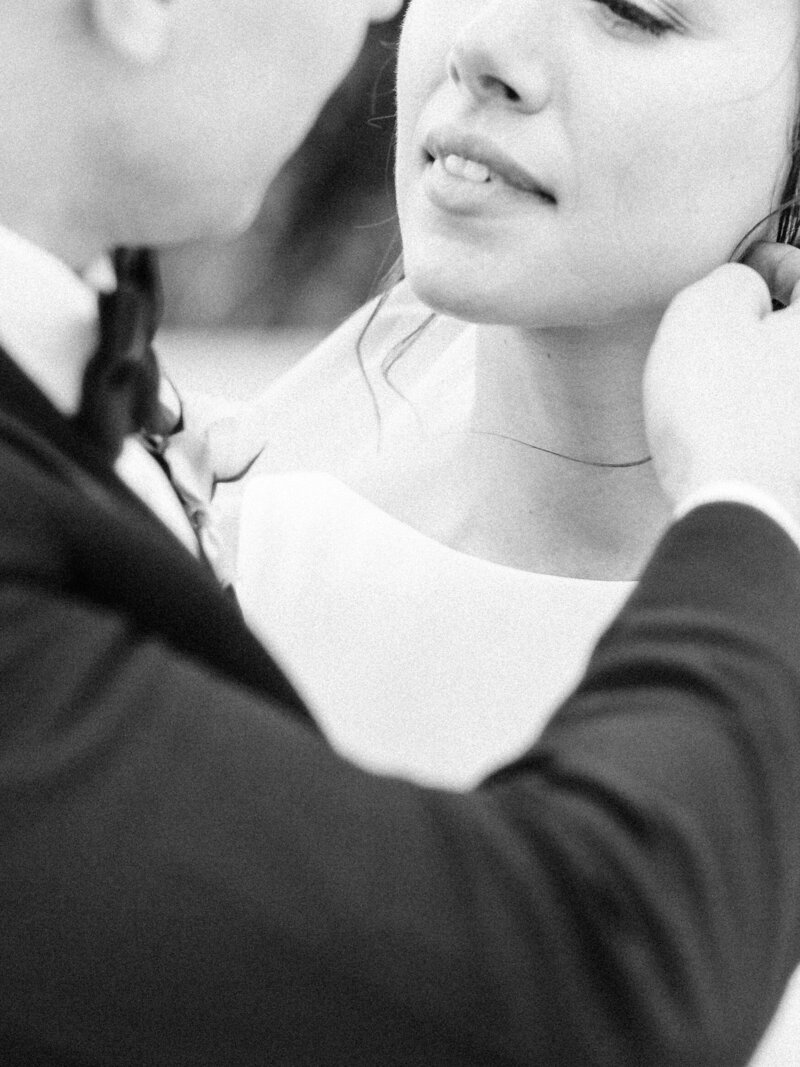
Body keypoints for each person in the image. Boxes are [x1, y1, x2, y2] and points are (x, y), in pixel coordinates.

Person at [3, 3, 800, 1066]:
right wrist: (752, 513)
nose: (480, 45)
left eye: (633, 8)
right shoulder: (229, 562)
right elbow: (580, 985)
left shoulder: (129, 508)